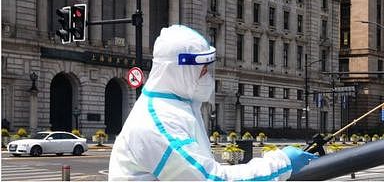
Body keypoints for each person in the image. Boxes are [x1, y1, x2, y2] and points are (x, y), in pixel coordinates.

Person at [109, 25, 316, 180]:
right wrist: (282, 163)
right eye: (203, 70)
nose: (207, 77)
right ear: (180, 70)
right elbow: (210, 178)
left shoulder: (177, 107)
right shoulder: (157, 124)